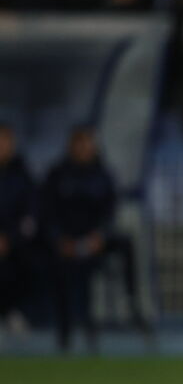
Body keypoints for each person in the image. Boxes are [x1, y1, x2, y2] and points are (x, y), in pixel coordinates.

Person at [41, 125, 116, 353]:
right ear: (71, 146)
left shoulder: (103, 175)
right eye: (79, 143)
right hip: (64, 244)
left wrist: (99, 236)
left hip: (94, 244)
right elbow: (47, 212)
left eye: (88, 143)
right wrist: (59, 239)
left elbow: (110, 212)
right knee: (59, 272)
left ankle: (93, 329)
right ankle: (64, 335)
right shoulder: (57, 174)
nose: (84, 148)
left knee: (91, 278)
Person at [0, 124, 35, 335]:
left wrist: (9, 239)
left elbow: (31, 216)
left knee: (29, 258)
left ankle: (13, 311)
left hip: (14, 243)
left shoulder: (22, 176)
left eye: (5, 142)